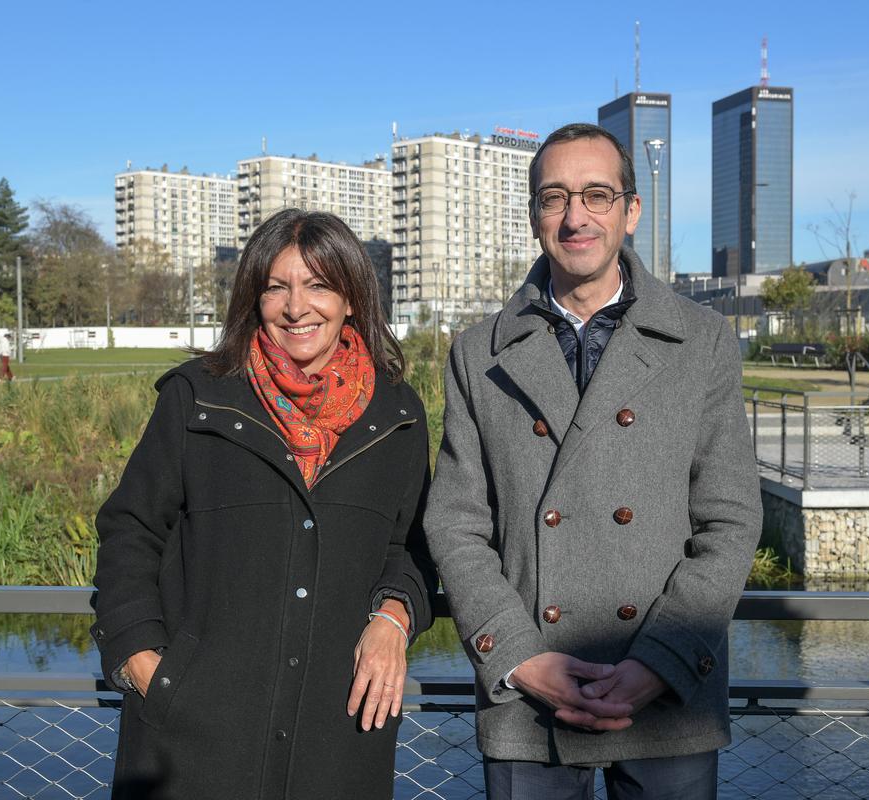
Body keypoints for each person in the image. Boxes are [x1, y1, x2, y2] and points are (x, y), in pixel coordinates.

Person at [425, 123, 762, 800]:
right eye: (554, 198)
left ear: (631, 211)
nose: (575, 215)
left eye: (596, 195)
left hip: (666, 693)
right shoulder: (477, 352)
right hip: (532, 695)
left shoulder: (701, 342)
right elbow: (456, 525)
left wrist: (661, 660)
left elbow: (729, 519)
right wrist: (518, 657)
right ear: (533, 218)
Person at [91, 208, 436, 799]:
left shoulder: (397, 418)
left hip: (338, 735)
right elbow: (130, 529)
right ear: (256, 299)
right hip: (196, 739)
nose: (297, 307)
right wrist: (144, 663)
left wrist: (394, 617)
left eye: (319, 285)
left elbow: (414, 550)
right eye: (277, 287)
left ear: (352, 297)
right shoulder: (198, 399)